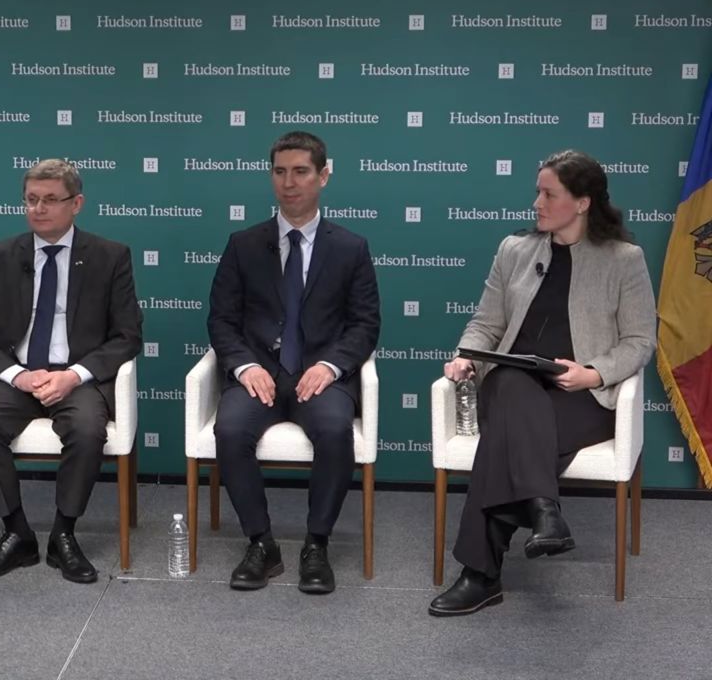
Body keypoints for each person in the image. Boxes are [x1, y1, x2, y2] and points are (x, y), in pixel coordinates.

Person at [430, 149, 656, 617]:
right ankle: (543, 510)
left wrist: (593, 372)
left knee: (504, 439)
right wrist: (465, 355)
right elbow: (485, 323)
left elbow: (640, 341)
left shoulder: (624, 259)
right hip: (511, 388)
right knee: (512, 383)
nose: (537, 203)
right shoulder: (514, 251)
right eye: (538, 192)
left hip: (581, 397)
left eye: (549, 194)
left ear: (583, 202)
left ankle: (481, 575)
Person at [206, 131, 381, 593]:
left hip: (320, 377)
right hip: (259, 375)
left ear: (323, 176)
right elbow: (221, 320)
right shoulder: (244, 244)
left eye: (301, 171)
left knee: (335, 430)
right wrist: (245, 366)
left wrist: (331, 367)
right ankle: (261, 544)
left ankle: (316, 545)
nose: (289, 183)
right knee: (230, 430)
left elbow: (365, 325)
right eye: (280, 172)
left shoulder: (350, 247)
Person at [0, 158, 143, 584]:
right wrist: (16, 375)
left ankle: (64, 534)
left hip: (76, 377)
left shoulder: (110, 256)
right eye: (31, 200)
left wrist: (74, 375)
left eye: (50, 200)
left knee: (88, 429)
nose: (38, 209)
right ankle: (17, 533)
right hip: (17, 374)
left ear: (76, 203)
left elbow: (128, 336)